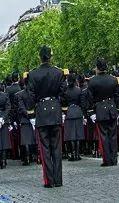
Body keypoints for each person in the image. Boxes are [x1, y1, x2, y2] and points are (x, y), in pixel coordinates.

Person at [29, 45, 65, 188]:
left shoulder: (33, 74)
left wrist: (33, 109)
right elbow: (63, 93)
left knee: (45, 149)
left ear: (40, 57)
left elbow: (31, 96)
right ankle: (58, 180)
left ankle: (49, 181)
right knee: (57, 148)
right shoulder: (59, 72)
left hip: (42, 112)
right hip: (55, 109)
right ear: (50, 57)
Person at [84, 58, 119, 167]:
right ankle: (114, 159)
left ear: (97, 68)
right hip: (112, 108)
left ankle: (107, 159)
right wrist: (118, 110)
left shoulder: (92, 81)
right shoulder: (114, 79)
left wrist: (91, 112)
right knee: (113, 136)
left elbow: (90, 98)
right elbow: (117, 96)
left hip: (100, 109)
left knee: (103, 136)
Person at [62, 73, 85, 162]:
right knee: (78, 135)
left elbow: (63, 102)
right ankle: (77, 154)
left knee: (71, 136)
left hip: (69, 112)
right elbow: (82, 103)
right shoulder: (79, 90)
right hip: (78, 112)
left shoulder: (65, 91)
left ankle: (72, 154)